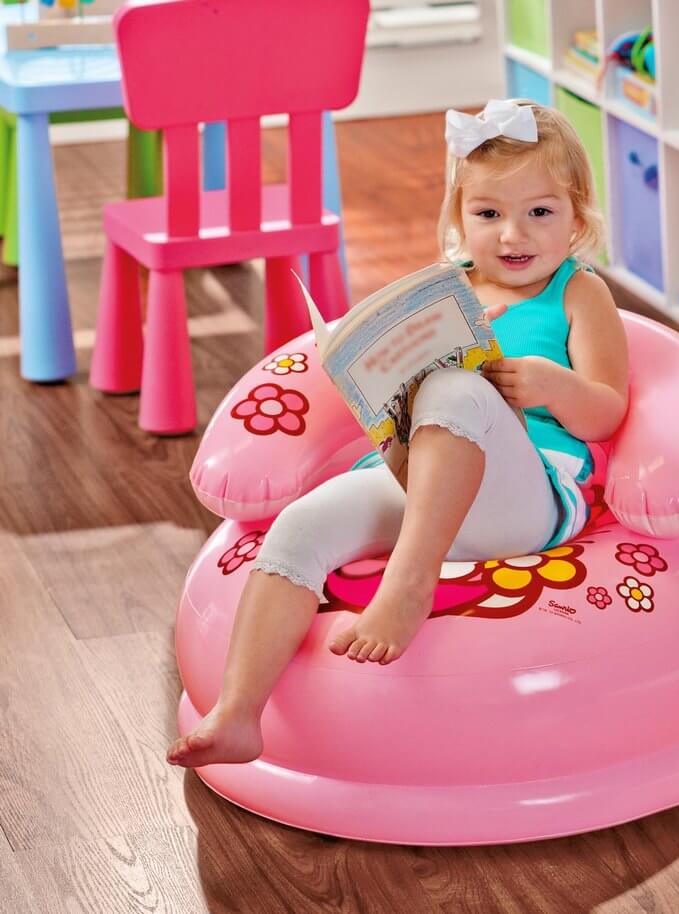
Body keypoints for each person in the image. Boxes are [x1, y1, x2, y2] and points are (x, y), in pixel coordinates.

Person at [167, 99, 629, 768]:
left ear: (577, 220)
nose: (512, 235)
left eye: (539, 212)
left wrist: (554, 386)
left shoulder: (579, 294)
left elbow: (608, 412)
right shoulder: (447, 292)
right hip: (422, 479)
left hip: (523, 500)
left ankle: (410, 584)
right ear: (458, 218)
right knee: (299, 526)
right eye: (488, 214)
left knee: (455, 390)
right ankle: (237, 713)